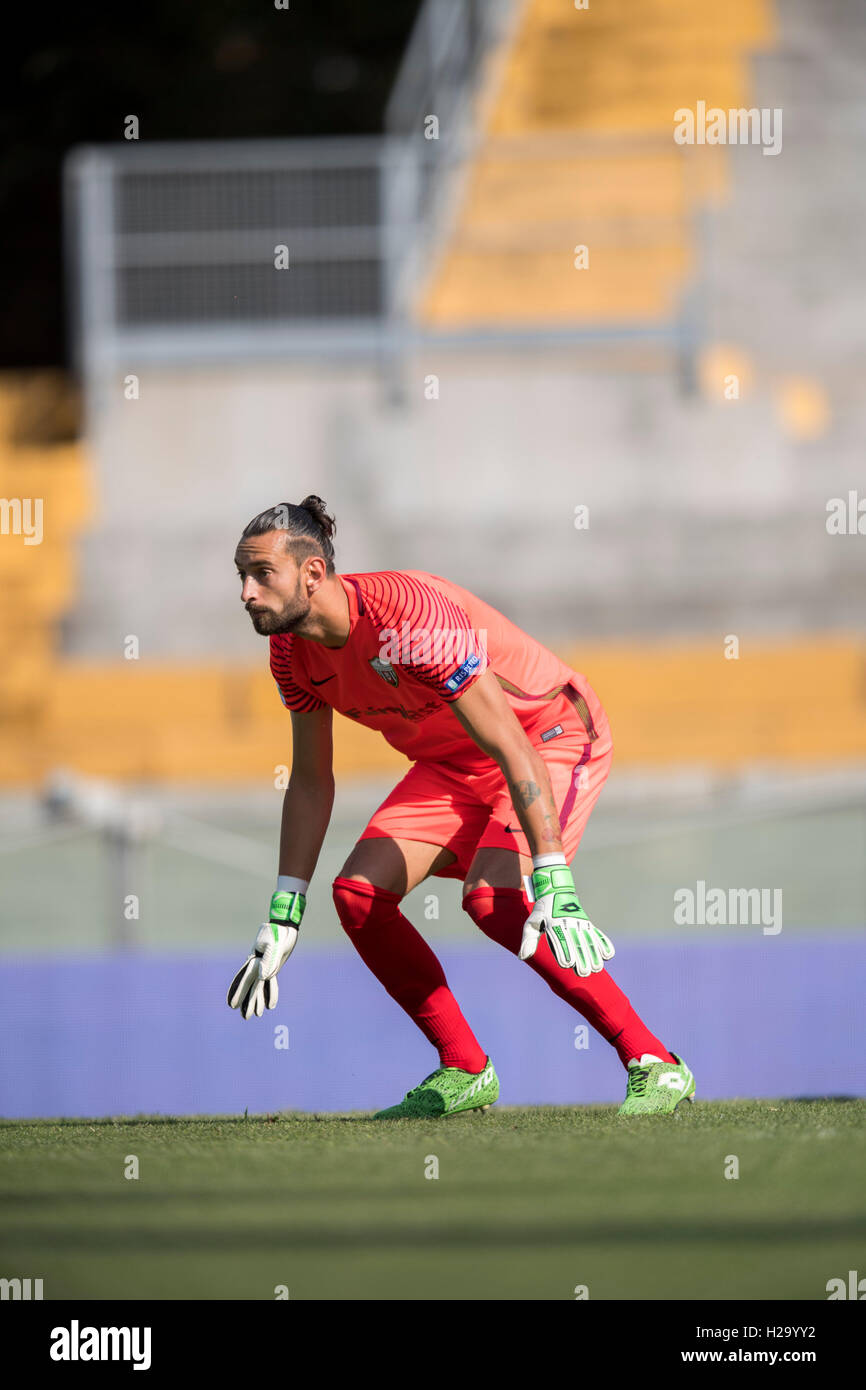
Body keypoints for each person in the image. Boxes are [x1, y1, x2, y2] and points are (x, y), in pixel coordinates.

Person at [227, 496, 695, 1117]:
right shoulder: (290, 654)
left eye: (263, 574)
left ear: (312, 575)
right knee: (358, 897)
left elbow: (509, 741)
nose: (247, 593)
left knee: (493, 898)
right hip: (454, 763)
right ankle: (464, 1069)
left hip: (548, 735)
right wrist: (284, 912)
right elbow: (312, 780)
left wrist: (554, 875)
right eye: (243, 576)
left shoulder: (408, 616)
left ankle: (654, 1064)